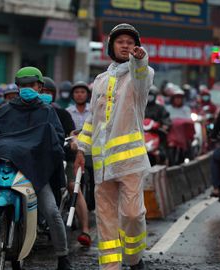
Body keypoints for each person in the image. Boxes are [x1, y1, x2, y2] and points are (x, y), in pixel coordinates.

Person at [0, 67, 73, 270]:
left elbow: (57, 139)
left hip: (35, 172)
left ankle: (63, 256)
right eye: (23, 86)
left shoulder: (48, 112)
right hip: (6, 170)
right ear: (17, 87)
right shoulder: (5, 111)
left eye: (31, 85)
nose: (27, 89)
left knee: (51, 211)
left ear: (40, 87)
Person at [74, 23, 154, 270]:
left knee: (132, 214)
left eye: (130, 42)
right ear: (111, 46)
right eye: (120, 42)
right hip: (103, 164)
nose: (126, 45)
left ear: (136, 47)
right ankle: (110, 267)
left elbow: (142, 72)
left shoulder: (141, 75)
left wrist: (140, 60)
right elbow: (92, 121)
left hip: (130, 163)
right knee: (106, 219)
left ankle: (133, 258)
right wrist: (80, 148)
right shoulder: (99, 80)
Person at [42, 77, 92, 247]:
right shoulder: (31, 113)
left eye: (49, 93)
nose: (45, 95)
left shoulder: (63, 114)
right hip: (39, 160)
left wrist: (73, 143)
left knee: (73, 186)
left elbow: (72, 134)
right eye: (43, 92)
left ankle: (85, 229)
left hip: (63, 158)